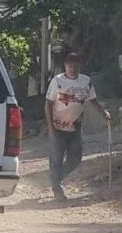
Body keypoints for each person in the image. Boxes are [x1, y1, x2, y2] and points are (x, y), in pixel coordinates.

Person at [45, 52, 110, 201]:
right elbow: (48, 103)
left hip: (75, 127)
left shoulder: (85, 81)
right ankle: (58, 189)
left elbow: (92, 100)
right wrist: (50, 126)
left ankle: (56, 177)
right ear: (65, 67)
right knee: (57, 159)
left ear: (79, 67)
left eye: (75, 66)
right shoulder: (58, 81)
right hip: (58, 127)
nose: (72, 69)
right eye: (69, 66)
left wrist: (103, 112)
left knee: (75, 159)